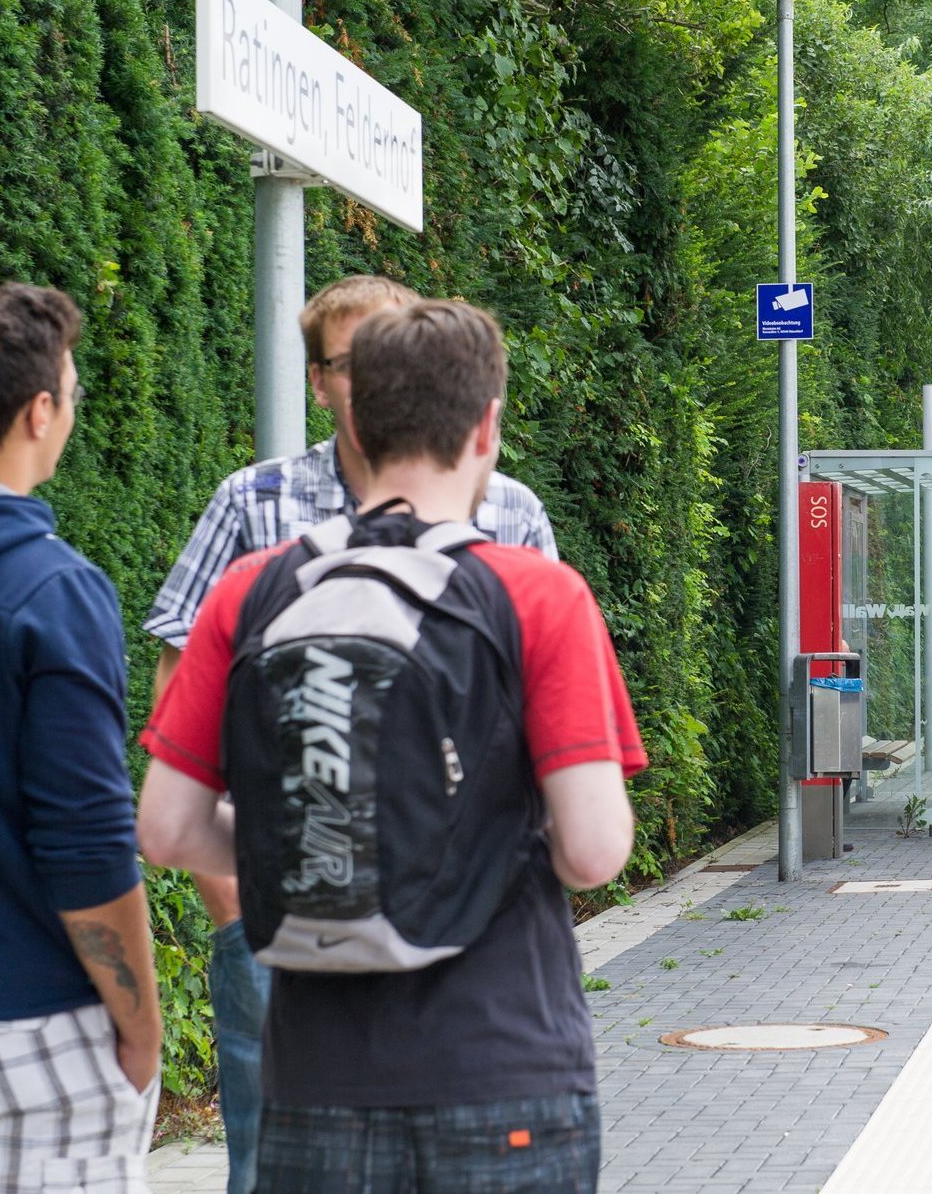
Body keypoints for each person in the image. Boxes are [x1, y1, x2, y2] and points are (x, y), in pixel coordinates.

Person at [138, 297, 641, 1193]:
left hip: (315, 1078)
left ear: (353, 420)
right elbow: (595, 851)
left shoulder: (252, 590)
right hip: (504, 1060)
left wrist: (302, 837)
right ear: (485, 427)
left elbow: (169, 830)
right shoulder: (539, 595)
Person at [0, 283, 161, 1191]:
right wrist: (141, 1027)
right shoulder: (50, 590)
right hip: (21, 1044)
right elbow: (85, 843)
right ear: (38, 410)